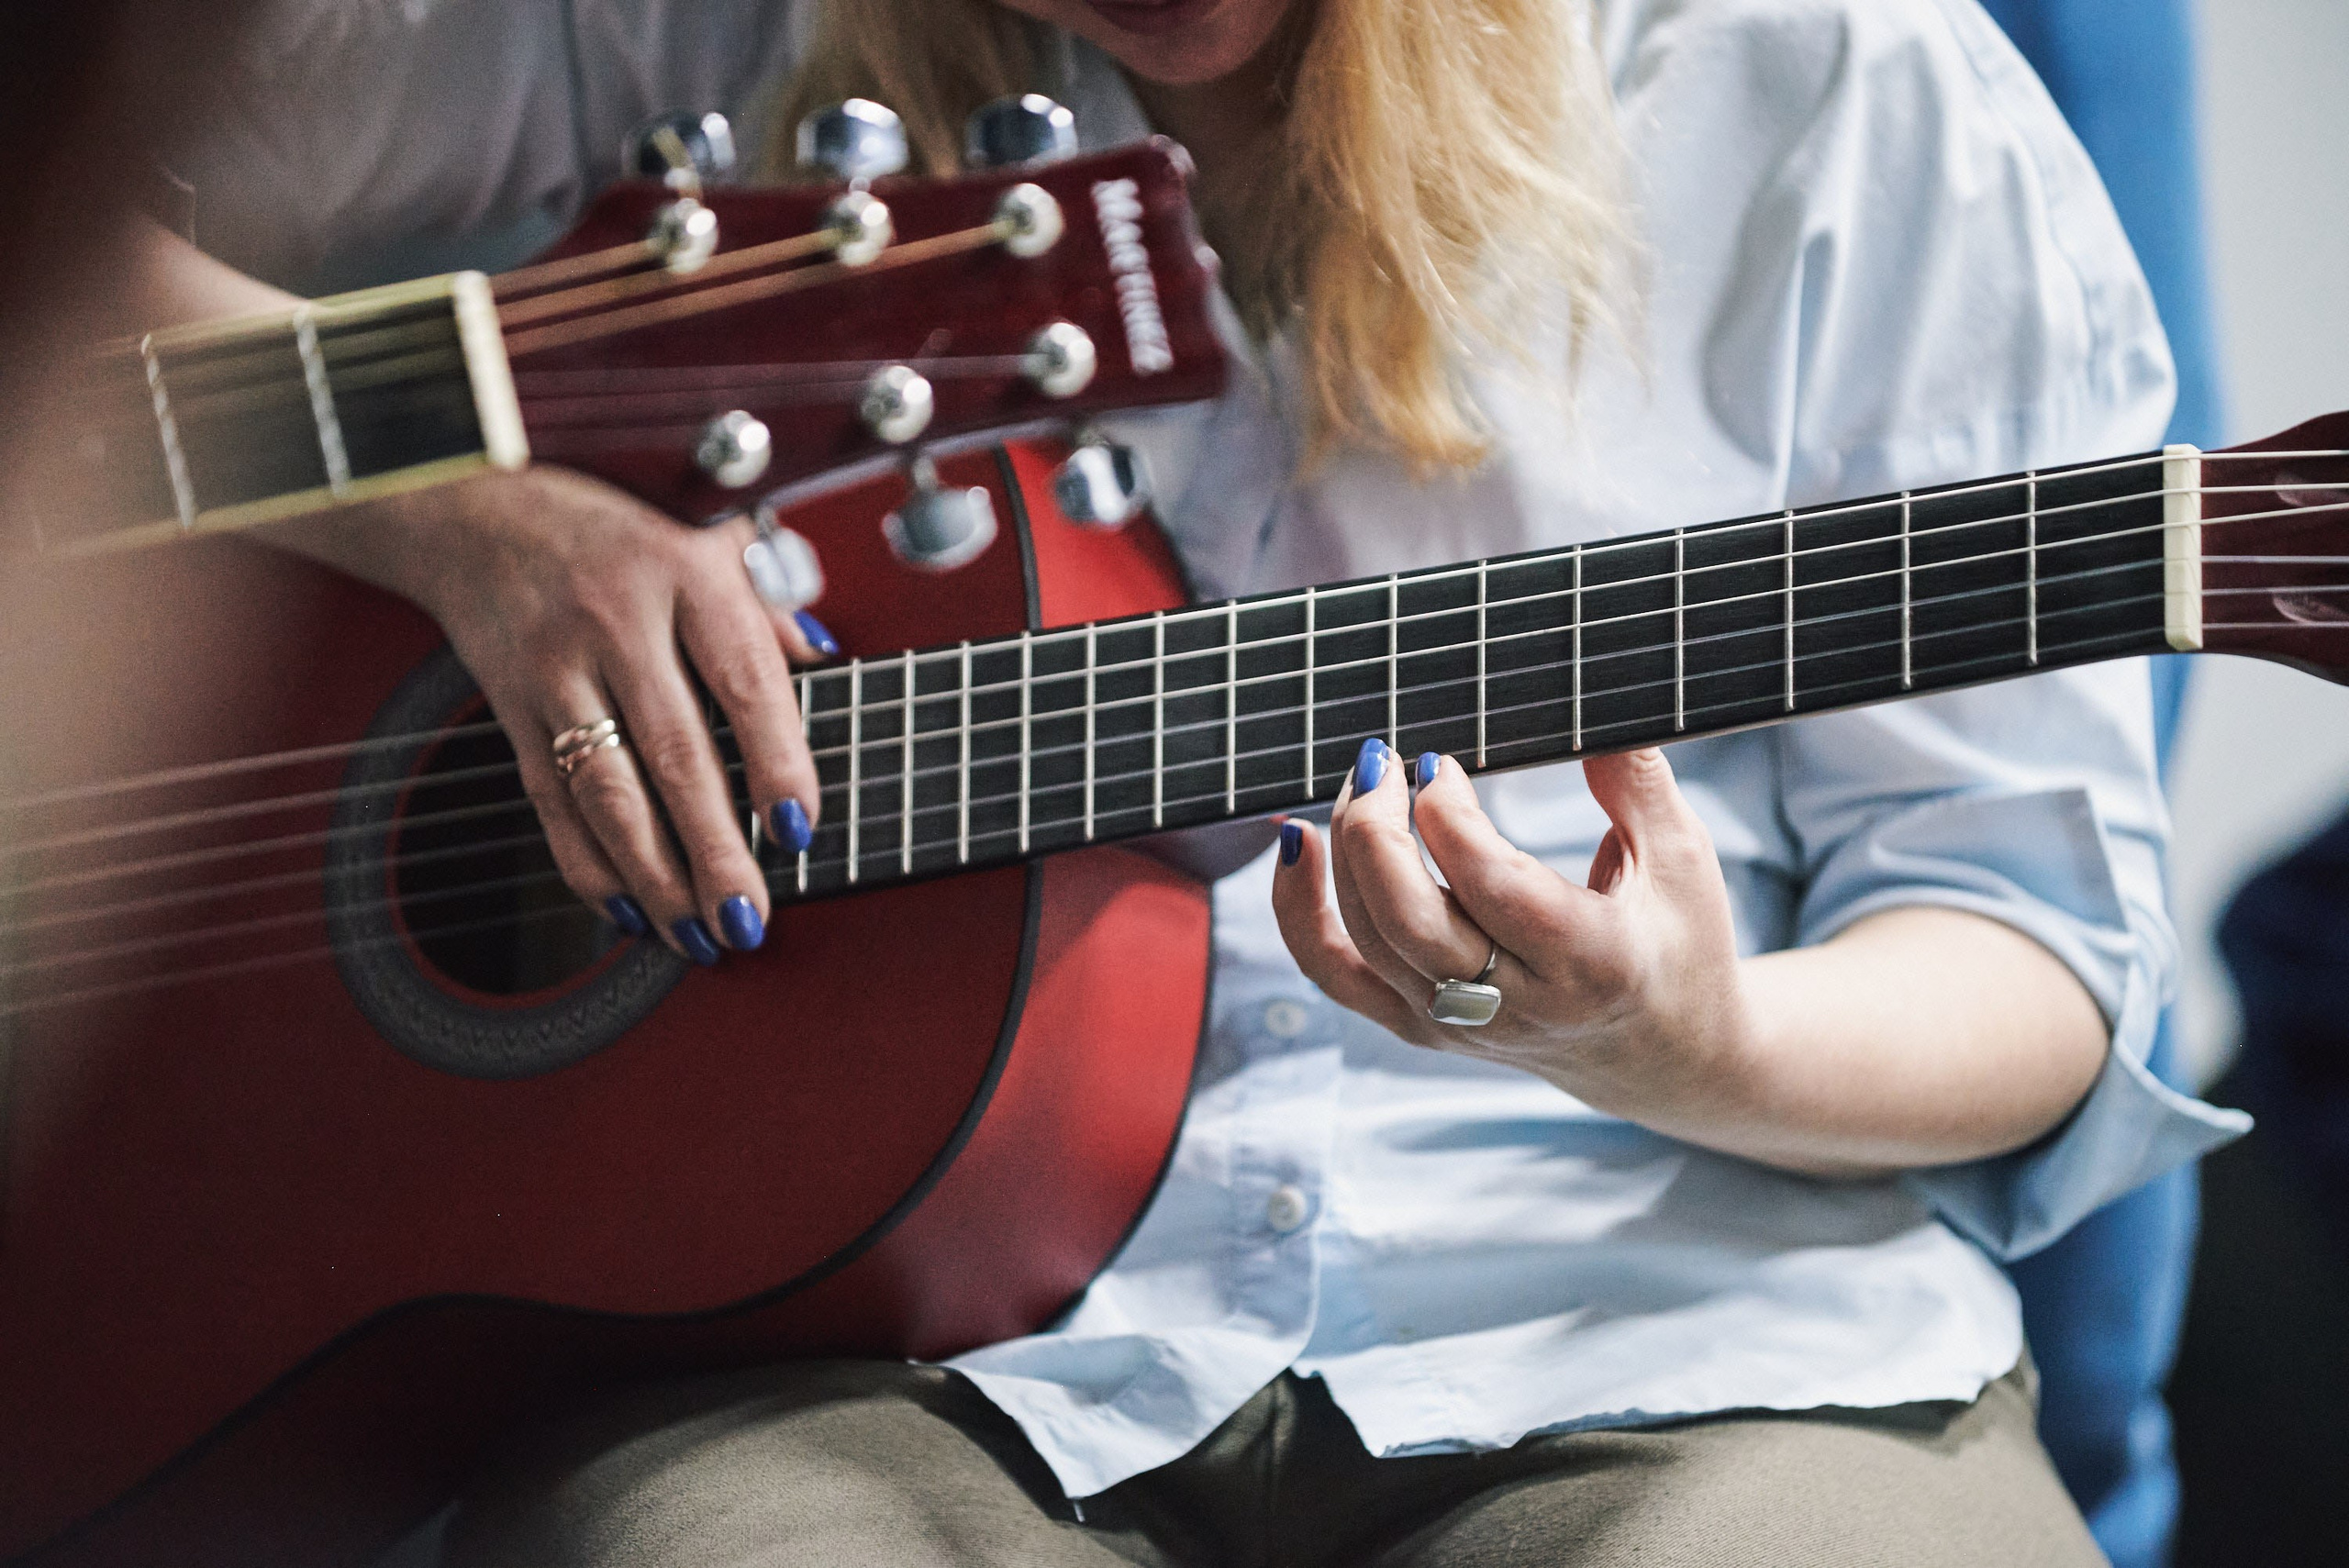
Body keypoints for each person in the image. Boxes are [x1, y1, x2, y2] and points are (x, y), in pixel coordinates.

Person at [121, 0, 2250, 1561]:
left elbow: (2027, 957)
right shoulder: (669, 27)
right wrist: (458, 506)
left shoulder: (1837, 90)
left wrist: (1683, 1036)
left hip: (1665, 1322)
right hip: (842, 1347)